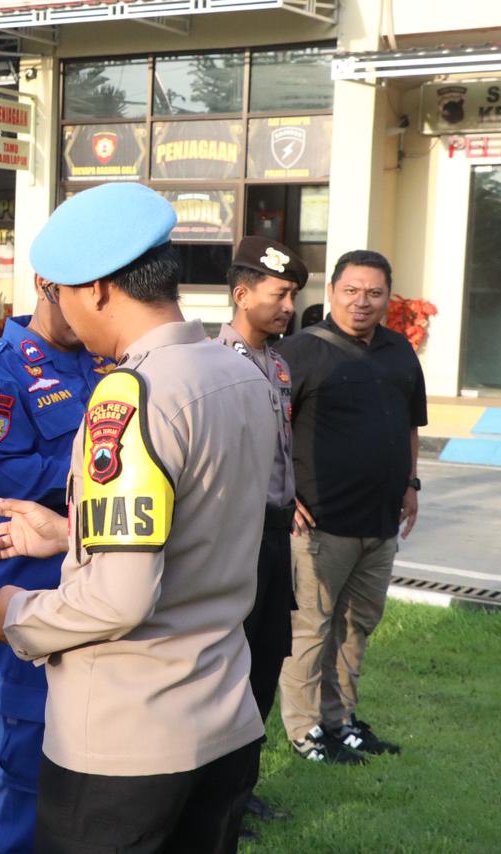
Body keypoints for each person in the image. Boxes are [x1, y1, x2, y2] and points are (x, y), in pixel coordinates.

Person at [0, 182, 276, 854]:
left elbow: (119, 598)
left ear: (97, 290)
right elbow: (197, 527)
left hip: (127, 742)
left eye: (59, 294)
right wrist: (68, 534)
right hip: (223, 717)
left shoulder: (131, 395)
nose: (61, 311)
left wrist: (18, 614)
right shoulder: (238, 375)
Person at [0, 273, 105, 854]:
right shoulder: (0, 374)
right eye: (83, 290)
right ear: (46, 285)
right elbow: (8, 479)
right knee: (26, 789)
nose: (97, 305)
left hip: (105, 591)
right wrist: (106, 470)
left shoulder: (107, 357)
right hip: (32, 592)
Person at [276, 249, 426, 764]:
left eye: (374, 293)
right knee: (311, 629)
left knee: (356, 626)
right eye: (352, 290)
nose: (362, 302)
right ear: (332, 292)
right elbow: (265, 428)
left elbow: (410, 424)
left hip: (380, 520)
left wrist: (410, 484)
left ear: (387, 298)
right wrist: (285, 495)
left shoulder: (399, 350)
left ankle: (340, 721)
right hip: (320, 522)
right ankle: (305, 731)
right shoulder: (299, 352)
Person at [214, 236, 308, 831]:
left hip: (275, 538)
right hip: (235, 538)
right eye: (279, 294)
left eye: (294, 295)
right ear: (243, 295)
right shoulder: (215, 364)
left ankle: (242, 790)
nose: (289, 307)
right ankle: (215, 800)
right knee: (230, 668)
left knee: (266, 664)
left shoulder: (278, 363)